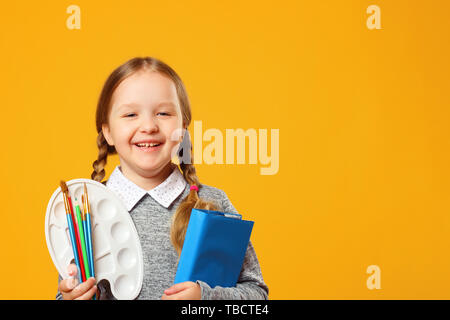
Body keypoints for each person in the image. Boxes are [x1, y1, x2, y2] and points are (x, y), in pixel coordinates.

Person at [56, 57, 269, 300]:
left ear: (183, 127)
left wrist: (204, 298)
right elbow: (66, 293)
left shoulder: (211, 203)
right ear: (108, 132)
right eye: (130, 114)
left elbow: (257, 297)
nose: (148, 126)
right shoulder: (85, 210)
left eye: (164, 113)